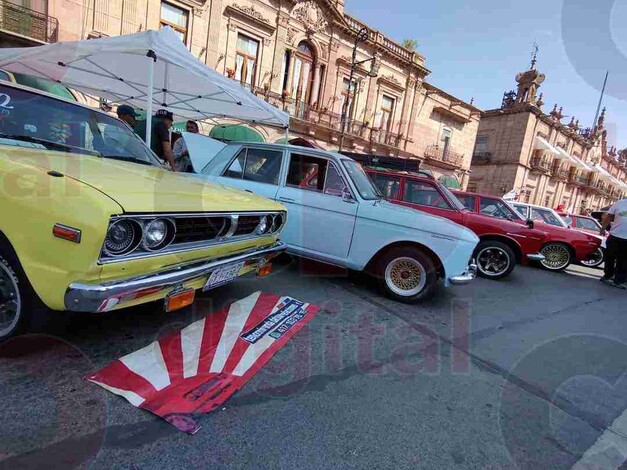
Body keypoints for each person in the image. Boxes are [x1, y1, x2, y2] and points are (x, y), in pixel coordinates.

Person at [600, 197, 627, 289]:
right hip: (615, 236)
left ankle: (619, 280)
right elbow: (609, 216)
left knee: (624, 261)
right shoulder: (620, 203)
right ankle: (607, 276)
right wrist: (603, 228)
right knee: (610, 257)